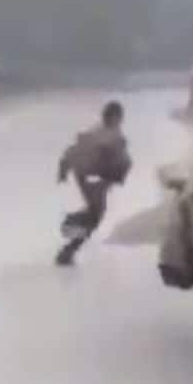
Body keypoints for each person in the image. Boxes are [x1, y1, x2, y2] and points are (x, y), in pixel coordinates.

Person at [55, 101, 132, 266]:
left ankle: (69, 248)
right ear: (114, 117)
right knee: (95, 215)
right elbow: (80, 149)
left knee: (95, 213)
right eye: (119, 117)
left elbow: (74, 150)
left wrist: (63, 168)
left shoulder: (105, 132)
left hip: (90, 176)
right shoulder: (106, 135)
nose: (121, 120)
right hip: (94, 177)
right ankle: (70, 231)